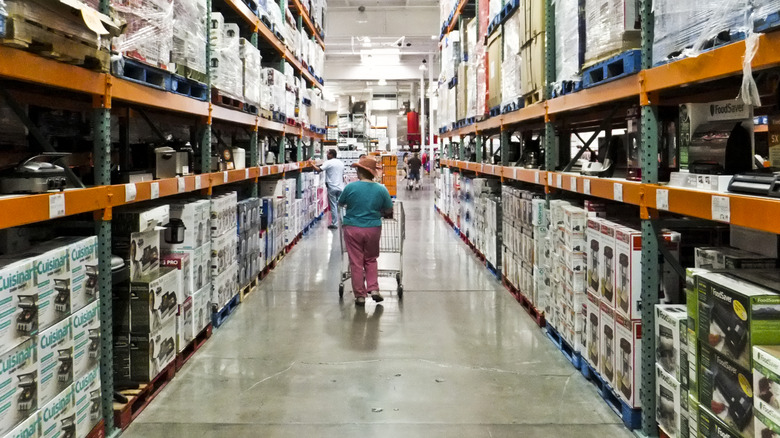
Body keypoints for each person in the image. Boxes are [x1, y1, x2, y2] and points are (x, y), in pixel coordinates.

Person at [338, 156, 393, 306]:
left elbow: (341, 203)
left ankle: (360, 296)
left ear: (360, 171)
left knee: (356, 262)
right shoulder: (381, 189)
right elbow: (389, 209)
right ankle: (374, 289)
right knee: (370, 259)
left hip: (352, 228)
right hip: (373, 228)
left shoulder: (350, 187)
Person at [312, 149, 345, 229]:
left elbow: (318, 170)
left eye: (328, 153)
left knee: (333, 205)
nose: (327, 155)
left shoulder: (329, 162)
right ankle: (344, 222)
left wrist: (311, 164)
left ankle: (335, 223)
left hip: (332, 187)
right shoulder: (341, 163)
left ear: (331, 154)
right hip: (340, 187)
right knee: (341, 205)